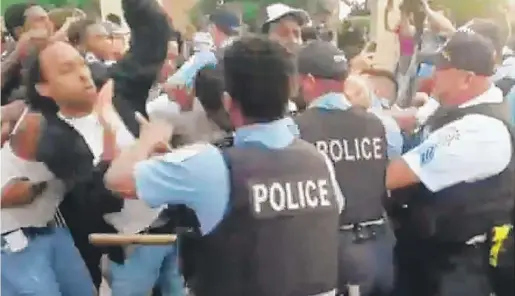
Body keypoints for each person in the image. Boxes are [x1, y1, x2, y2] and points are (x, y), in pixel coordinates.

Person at [105, 35, 344, 296]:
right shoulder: (318, 161)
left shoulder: (211, 165)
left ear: (228, 101)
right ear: (291, 90)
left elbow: (118, 180)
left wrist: (148, 139)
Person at [22, 0, 183, 295]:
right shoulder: (54, 140)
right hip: (128, 252)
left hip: (169, 229)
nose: (83, 74)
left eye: (82, 63)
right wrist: (116, 156)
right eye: (67, 70)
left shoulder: (115, 92)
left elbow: (153, 37)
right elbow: (91, 206)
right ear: (44, 88)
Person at [386, 30, 514, 296]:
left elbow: (393, 175)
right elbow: (413, 118)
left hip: (459, 269)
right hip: (434, 257)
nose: (433, 77)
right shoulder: (459, 105)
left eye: (442, 70)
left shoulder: (479, 130)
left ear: (467, 79)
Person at [293, 40, 396, 296]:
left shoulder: (297, 129)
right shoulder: (376, 124)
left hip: (333, 252)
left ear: (308, 81)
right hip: (380, 247)